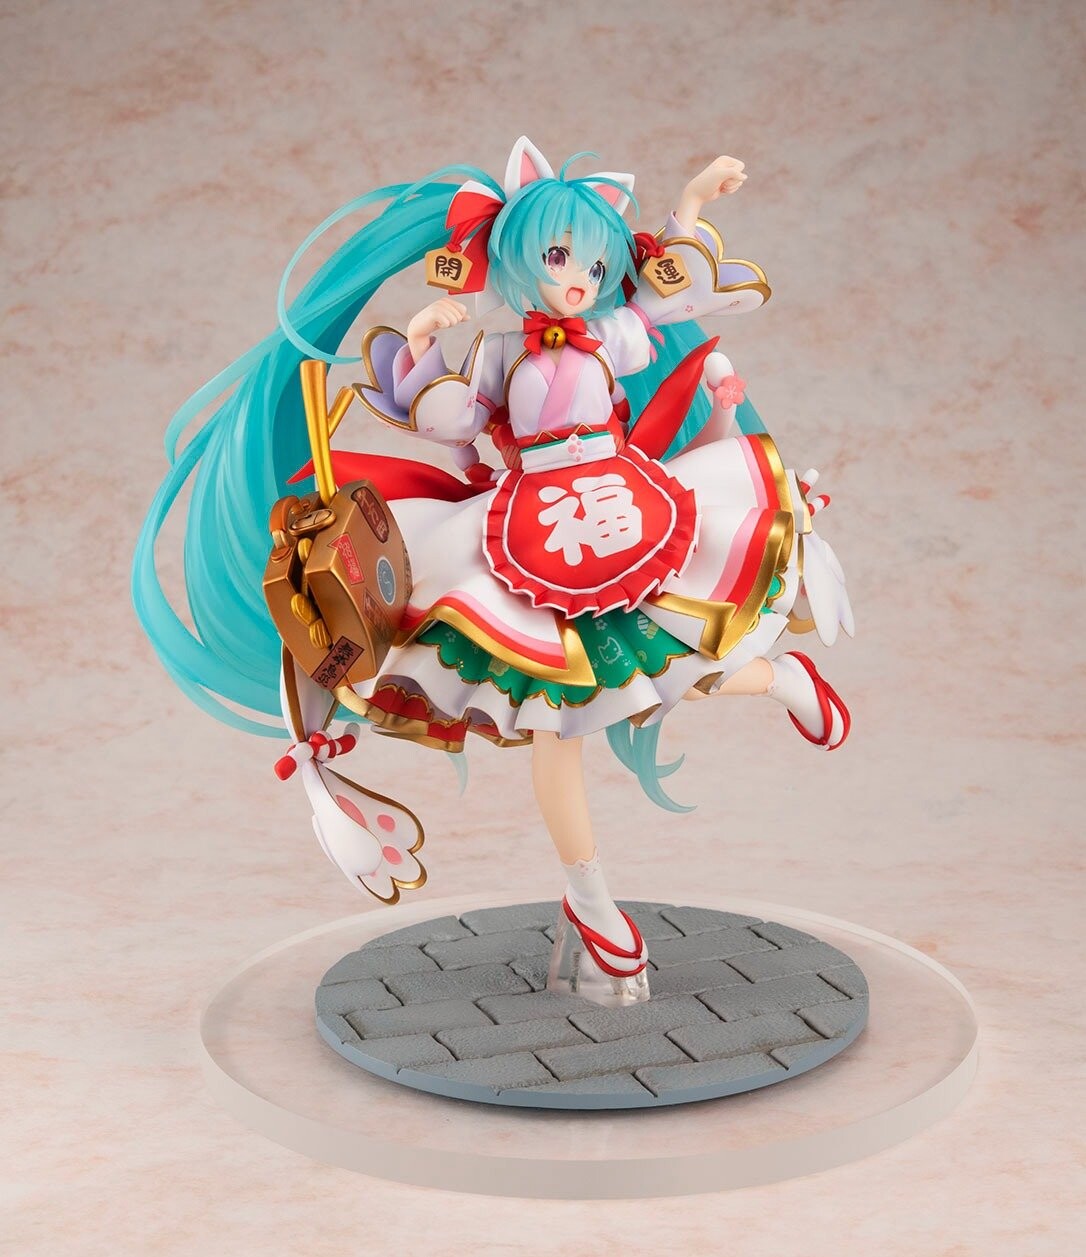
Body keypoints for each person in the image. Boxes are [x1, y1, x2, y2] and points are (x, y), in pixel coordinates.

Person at [133, 136, 853, 1007]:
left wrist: (692, 203)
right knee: (557, 724)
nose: (579, 278)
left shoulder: (612, 333)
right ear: (516, 259)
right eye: (559, 258)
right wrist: (424, 342)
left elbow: (670, 288)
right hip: (530, 535)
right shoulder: (501, 350)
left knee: (678, 656)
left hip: (624, 510)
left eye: (593, 263)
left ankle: (781, 678)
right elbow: (453, 418)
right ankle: (594, 902)